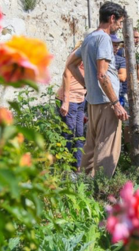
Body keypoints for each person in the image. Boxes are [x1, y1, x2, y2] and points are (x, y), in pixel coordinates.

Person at [66, 1, 128, 178]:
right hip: (107, 103)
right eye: (119, 22)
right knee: (107, 152)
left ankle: (84, 189)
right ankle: (100, 193)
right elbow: (102, 75)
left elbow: (70, 64)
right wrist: (116, 103)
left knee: (91, 149)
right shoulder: (103, 39)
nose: (119, 26)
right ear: (112, 18)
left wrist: (87, 84)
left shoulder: (89, 38)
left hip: (93, 102)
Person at [56, 38, 88, 171]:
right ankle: (64, 167)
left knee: (80, 133)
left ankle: (77, 166)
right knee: (68, 132)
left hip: (81, 98)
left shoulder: (88, 54)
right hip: (70, 98)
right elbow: (66, 74)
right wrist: (66, 101)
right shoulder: (77, 54)